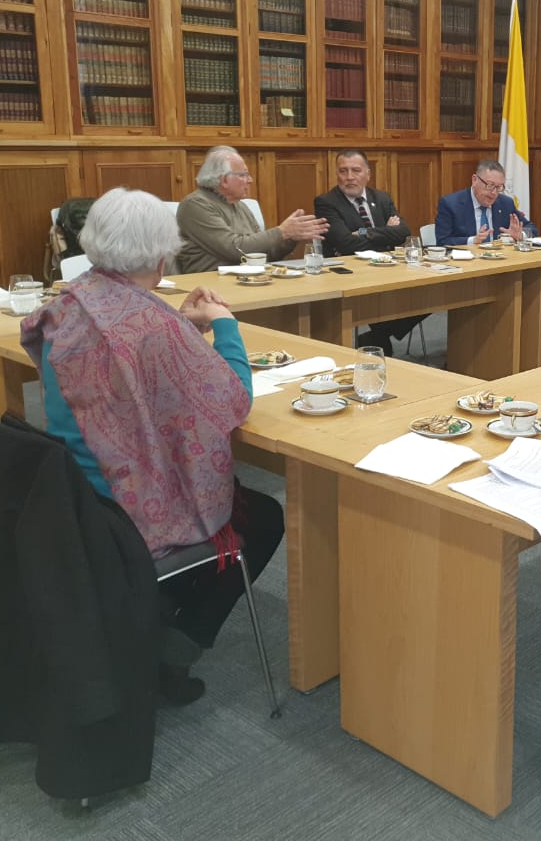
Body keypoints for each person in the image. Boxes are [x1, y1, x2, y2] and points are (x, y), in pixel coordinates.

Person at [21, 188, 284, 705]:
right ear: (165, 256)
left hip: (74, 497)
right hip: (125, 516)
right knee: (264, 518)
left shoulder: (70, 302)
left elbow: (117, 360)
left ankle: (149, 614)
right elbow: (231, 400)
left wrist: (180, 326)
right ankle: (168, 646)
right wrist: (225, 326)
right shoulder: (153, 324)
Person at [313, 149, 421, 354]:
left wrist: (363, 232)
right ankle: (379, 335)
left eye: (355, 170)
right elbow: (345, 243)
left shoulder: (381, 197)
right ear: (337, 174)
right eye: (343, 171)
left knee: (428, 294)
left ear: (367, 174)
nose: (349, 177)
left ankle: (379, 334)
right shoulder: (326, 202)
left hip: (389, 270)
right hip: (351, 273)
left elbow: (404, 231)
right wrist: (386, 231)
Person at [176, 145, 327, 273]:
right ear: (224, 180)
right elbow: (235, 249)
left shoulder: (241, 206)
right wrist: (282, 232)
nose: (250, 180)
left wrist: (291, 238)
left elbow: (262, 253)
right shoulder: (195, 205)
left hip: (249, 279)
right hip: (210, 286)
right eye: (244, 175)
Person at [434, 160, 537, 246]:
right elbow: (442, 241)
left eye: (499, 187)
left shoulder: (505, 203)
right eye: (490, 185)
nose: (494, 193)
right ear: (474, 180)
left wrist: (520, 234)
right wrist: (473, 241)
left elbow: (532, 228)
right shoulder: (450, 204)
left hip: (501, 262)